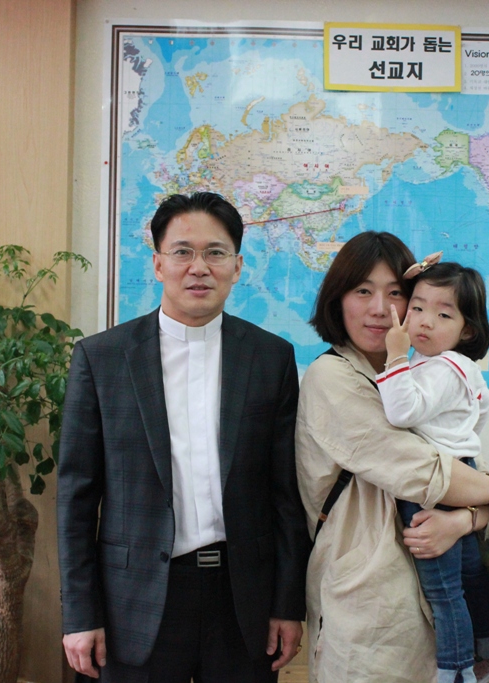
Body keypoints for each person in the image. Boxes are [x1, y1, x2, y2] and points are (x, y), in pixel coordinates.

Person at [57, 192, 312, 683]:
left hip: (242, 600)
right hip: (134, 600)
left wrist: (287, 603)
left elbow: (285, 493)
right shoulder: (102, 359)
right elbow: (76, 497)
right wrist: (80, 614)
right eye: (182, 252)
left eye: (215, 252)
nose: (199, 267)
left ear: (237, 266)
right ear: (158, 264)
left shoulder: (270, 358)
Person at [295, 231, 489, 683]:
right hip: (370, 615)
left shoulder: (424, 379)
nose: (380, 309)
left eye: (396, 293)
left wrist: (463, 521)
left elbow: (462, 467)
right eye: (362, 291)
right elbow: (426, 473)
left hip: (438, 625)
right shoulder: (330, 377)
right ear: (338, 299)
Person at [377, 255, 489, 683]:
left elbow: (401, 412)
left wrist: (394, 355)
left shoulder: (439, 368)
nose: (424, 321)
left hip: (434, 482)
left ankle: (456, 670)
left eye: (443, 314)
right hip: (460, 469)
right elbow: (480, 413)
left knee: (442, 589)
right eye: (417, 307)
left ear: (467, 330)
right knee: (469, 574)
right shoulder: (459, 368)